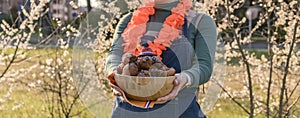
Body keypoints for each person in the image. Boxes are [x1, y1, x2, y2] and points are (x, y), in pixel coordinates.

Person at [105, 0, 217, 117]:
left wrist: (184, 78)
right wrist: (115, 76)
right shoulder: (128, 20)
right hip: (126, 112)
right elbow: (114, 54)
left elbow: (204, 66)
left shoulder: (200, 22)